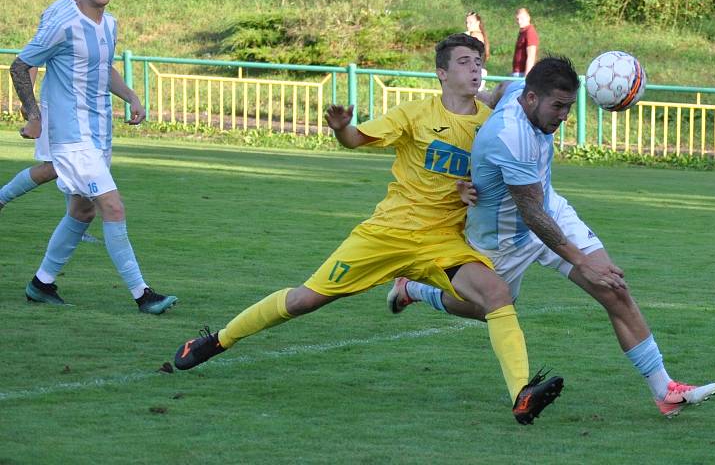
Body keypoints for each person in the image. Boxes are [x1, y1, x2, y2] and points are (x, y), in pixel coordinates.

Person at [173, 34, 563, 425]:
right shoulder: (415, 114)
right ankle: (218, 340)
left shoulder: (490, 125)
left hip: (440, 241)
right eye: (464, 61)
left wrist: (469, 189)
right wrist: (342, 128)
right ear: (441, 73)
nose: (475, 67)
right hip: (386, 234)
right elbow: (356, 139)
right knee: (304, 301)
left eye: (478, 61)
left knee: (496, 296)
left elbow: (493, 176)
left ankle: (521, 395)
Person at [388, 56, 715, 418]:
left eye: (569, 107)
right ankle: (415, 290)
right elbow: (531, 216)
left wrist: (475, 103)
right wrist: (581, 262)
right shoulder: (510, 137)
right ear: (531, 100)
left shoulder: (518, 89)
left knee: (613, 287)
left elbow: (498, 90)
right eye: (557, 106)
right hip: (503, 237)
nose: (563, 116)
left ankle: (665, 391)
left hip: (551, 210)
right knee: (487, 309)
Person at [9, 0, 177, 314]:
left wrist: (131, 95)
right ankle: (143, 295)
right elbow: (21, 66)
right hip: (71, 134)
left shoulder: (110, 24)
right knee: (112, 206)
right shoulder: (63, 22)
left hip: (99, 131)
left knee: (82, 211)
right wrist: (34, 114)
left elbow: (105, 69)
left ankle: (42, 283)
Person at [0, 0, 100, 245]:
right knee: (56, 168)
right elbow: (31, 58)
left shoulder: (94, 13)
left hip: (87, 109)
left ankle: (76, 226)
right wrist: (30, 108)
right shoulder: (58, 12)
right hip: (59, 106)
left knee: (80, 166)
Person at [465, 11, 489, 90]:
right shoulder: (480, 35)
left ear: (478, 22)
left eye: (471, 22)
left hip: (475, 72)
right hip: (478, 71)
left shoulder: (475, 35)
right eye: (467, 23)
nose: (468, 25)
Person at [511, 8, 538, 77]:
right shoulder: (523, 32)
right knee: (501, 86)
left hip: (522, 74)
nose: (519, 21)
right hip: (517, 72)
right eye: (517, 19)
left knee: (503, 87)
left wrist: (526, 77)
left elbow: (531, 56)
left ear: (528, 18)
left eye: (522, 18)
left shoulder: (530, 32)